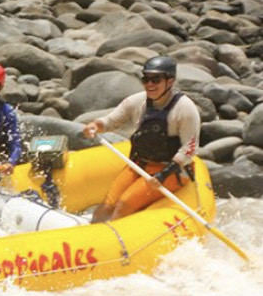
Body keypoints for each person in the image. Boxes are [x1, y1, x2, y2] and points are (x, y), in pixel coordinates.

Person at [82, 56, 200, 222]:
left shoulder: (185, 108)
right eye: (146, 79)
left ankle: (115, 241)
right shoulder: (137, 101)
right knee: (107, 205)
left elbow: (189, 148)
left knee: (124, 204)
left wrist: (162, 175)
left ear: (170, 81)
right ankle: (93, 237)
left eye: (155, 80)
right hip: (140, 164)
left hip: (170, 171)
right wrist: (96, 125)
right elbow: (111, 120)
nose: (149, 85)